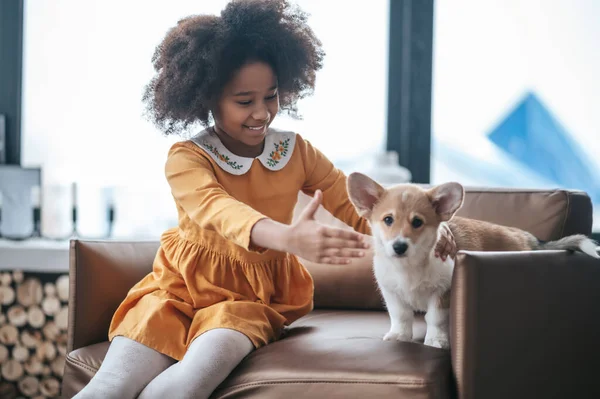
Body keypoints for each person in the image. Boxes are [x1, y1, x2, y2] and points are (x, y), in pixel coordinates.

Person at [74, 1, 456, 398]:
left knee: (184, 387)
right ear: (208, 98)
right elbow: (216, 208)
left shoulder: (296, 152)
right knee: (110, 387)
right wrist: (288, 237)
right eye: (244, 101)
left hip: (248, 300)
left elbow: (361, 208)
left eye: (270, 97)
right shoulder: (187, 157)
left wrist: (431, 234)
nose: (262, 113)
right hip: (176, 289)